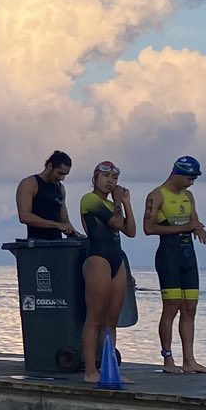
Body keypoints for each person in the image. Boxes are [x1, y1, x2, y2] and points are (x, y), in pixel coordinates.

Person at [145, 156, 206, 374]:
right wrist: (185, 228)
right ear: (178, 173)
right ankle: (168, 358)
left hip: (188, 256)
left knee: (190, 308)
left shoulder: (189, 196)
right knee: (171, 307)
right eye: (190, 178)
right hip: (168, 255)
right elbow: (149, 228)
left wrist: (198, 229)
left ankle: (189, 360)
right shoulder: (157, 196)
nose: (192, 183)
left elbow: (194, 221)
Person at [79, 161, 136, 383]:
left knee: (112, 318)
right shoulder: (90, 200)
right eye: (105, 177)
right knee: (95, 316)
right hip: (98, 257)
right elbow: (114, 222)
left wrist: (127, 203)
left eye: (114, 178)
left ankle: (110, 367)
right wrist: (119, 203)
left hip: (116, 256)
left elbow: (130, 231)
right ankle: (91, 370)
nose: (110, 181)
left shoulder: (114, 204)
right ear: (95, 178)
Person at [16, 151, 77, 240]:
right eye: (60, 173)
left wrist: (75, 234)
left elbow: (64, 221)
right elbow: (24, 216)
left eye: (65, 175)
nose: (62, 178)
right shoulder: (29, 184)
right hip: (37, 245)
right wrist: (57, 225)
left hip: (57, 244)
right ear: (49, 166)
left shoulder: (60, 188)